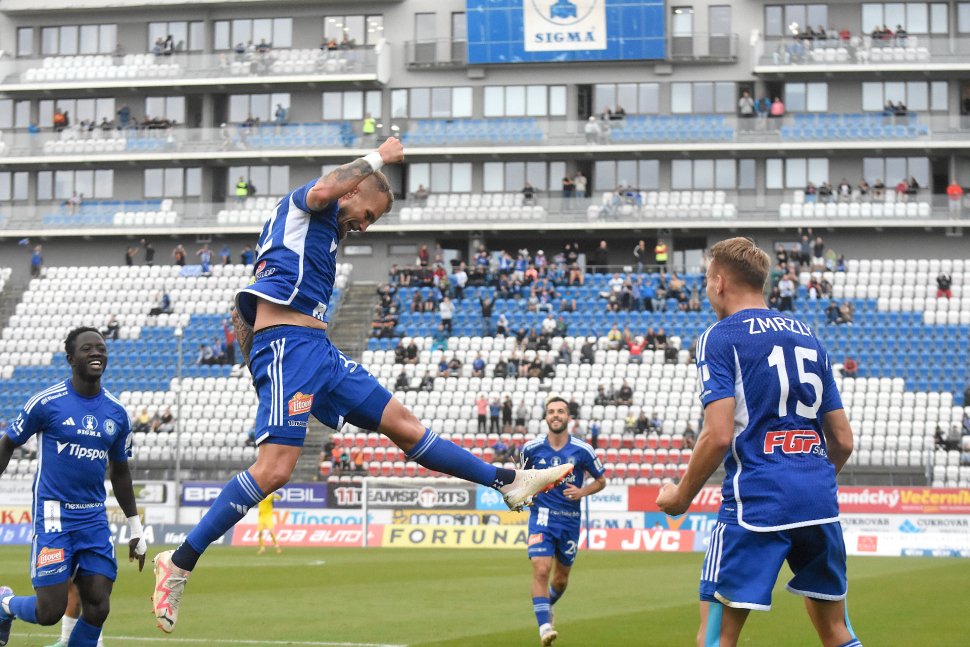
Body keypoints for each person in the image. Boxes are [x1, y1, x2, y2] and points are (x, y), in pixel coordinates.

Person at [151, 138, 573, 632]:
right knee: (274, 471)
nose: (366, 224)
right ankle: (178, 563)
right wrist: (379, 157)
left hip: (317, 350)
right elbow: (329, 186)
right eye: (367, 212)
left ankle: (507, 481)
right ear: (352, 192)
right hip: (290, 345)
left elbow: (244, 310)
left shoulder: (320, 237)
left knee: (405, 425)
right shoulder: (308, 204)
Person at [656, 237, 858, 647]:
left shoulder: (720, 336)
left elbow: (717, 435)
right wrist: (806, 477)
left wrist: (680, 498)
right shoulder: (809, 336)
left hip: (756, 504)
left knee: (715, 637)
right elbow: (843, 440)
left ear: (719, 282)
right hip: (819, 501)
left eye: (706, 279)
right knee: (837, 632)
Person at [0, 327, 146, 647]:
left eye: (101, 348)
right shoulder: (47, 403)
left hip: (93, 516)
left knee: (97, 605)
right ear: (70, 359)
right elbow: (9, 442)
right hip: (53, 512)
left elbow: (120, 474)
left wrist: (136, 527)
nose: (96, 353)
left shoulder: (117, 414)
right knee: (49, 610)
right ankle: (4, 605)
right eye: (87, 349)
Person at [523, 396, 607, 647]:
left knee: (560, 579)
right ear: (546, 417)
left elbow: (601, 481)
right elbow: (522, 479)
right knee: (541, 569)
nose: (556, 415)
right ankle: (544, 627)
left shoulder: (582, 450)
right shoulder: (531, 449)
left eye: (560, 411)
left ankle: (548, 604)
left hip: (570, 521)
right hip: (542, 518)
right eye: (551, 411)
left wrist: (582, 491)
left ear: (569, 418)